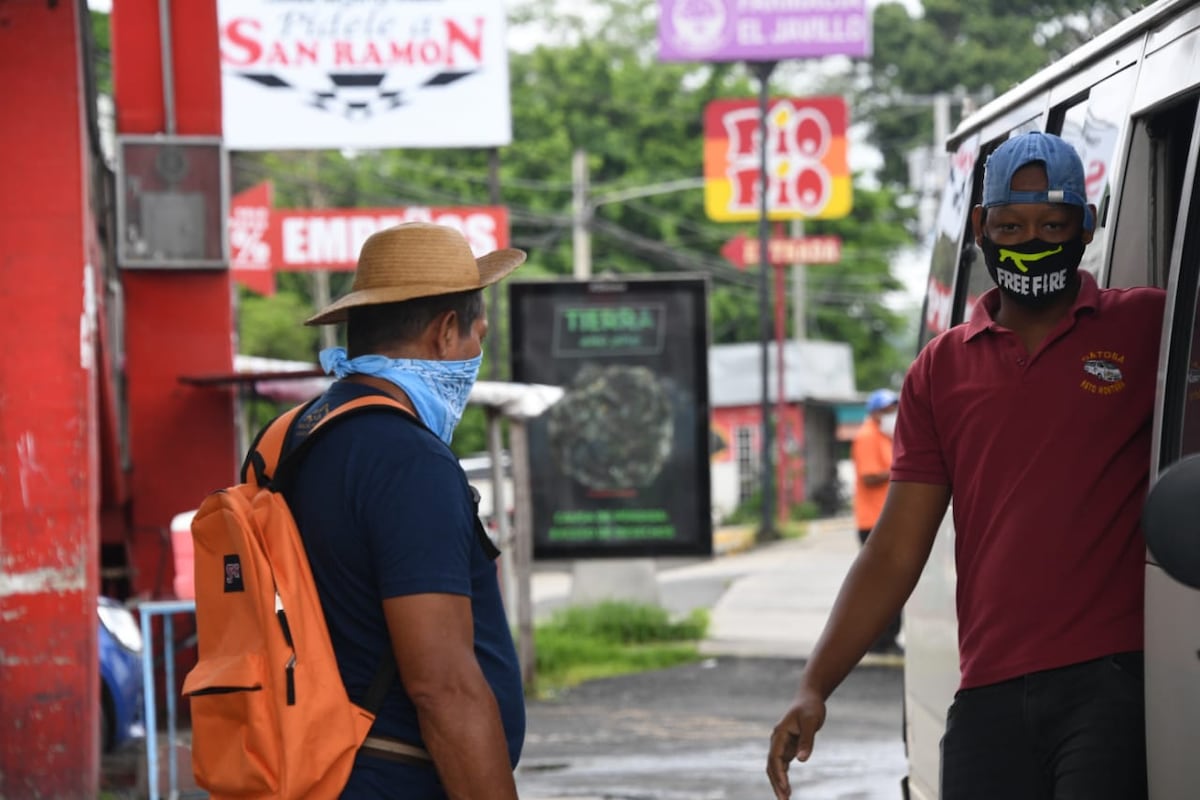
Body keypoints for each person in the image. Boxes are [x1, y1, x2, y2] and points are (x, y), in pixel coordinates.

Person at [767, 131, 1165, 800]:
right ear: (981, 227)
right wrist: (814, 685)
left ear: (1086, 226)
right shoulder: (940, 370)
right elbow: (894, 551)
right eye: (1011, 226)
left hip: (1113, 684)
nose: (1031, 241)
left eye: (1052, 226)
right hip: (989, 690)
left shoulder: (1149, 326)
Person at [284, 222, 527, 798]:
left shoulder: (296, 436)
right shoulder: (407, 459)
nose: (475, 356)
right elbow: (442, 688)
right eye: (476, 337)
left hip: (316, 767)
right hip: (389, 778)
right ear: (445, 333)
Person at [850, 387, 901, 655]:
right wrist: (904, 470)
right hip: (873, 522)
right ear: (875, 413)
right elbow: (870, 476)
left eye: (894, 409)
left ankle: (887, 639)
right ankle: (880, 640)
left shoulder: (885, 436)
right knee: (883, 585)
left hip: (884, 520)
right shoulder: (868, 436)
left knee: (890, 583)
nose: (893, 414)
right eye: (888, 410)